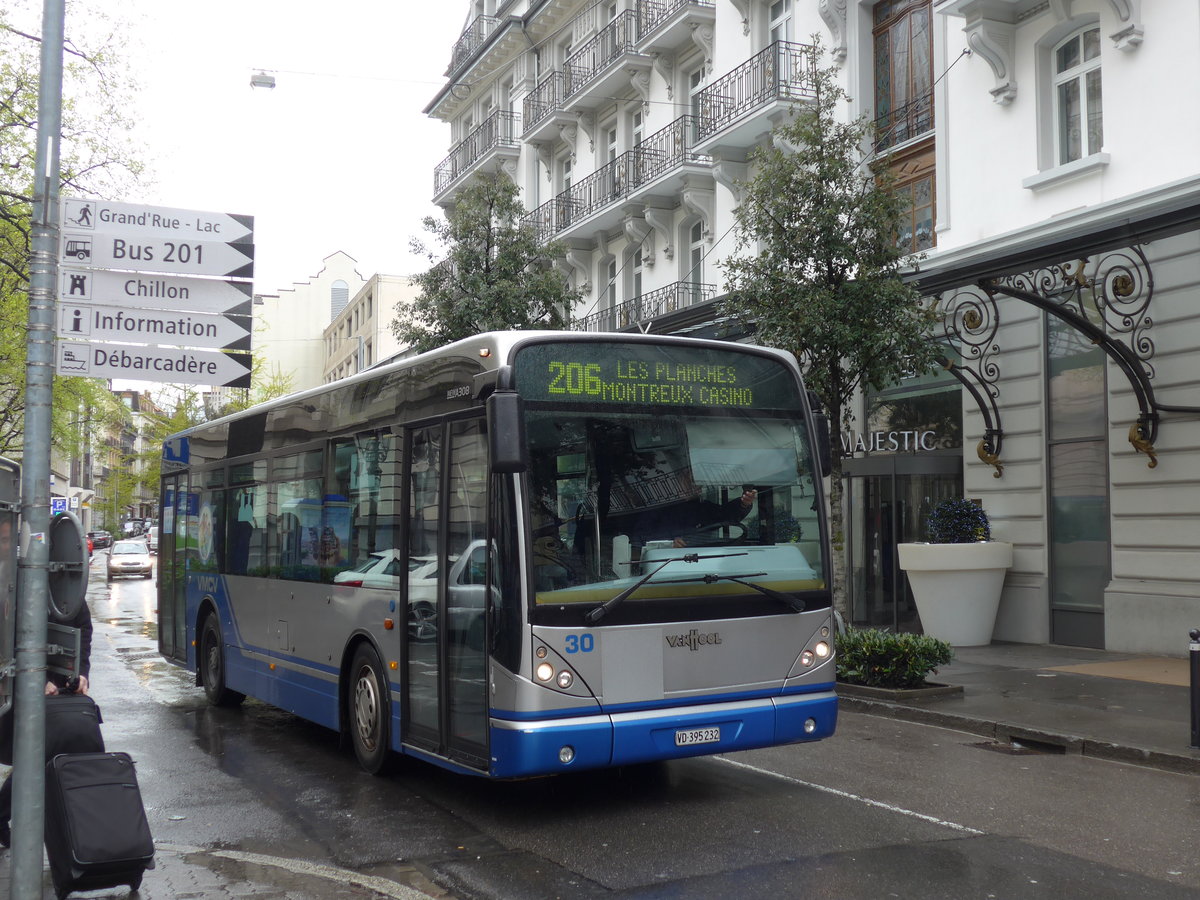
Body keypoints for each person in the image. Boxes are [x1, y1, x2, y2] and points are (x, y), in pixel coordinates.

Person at [0, 597, 92, 849]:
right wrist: (36, 681)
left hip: (62, 697)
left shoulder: (68, 590)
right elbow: (8, 644)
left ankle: (66, 840)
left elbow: (83, 632)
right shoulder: (18, 585)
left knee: (47, 758)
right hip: (24, 696)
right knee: (35, 758)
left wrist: (82, 673)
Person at [635, 487, 758, 548]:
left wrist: (743, 503)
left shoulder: (702, 507)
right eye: (688, 480)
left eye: (695, 481)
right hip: (662, 565)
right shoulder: (655, 509)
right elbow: (641, 537)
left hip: (701, 561)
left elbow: (725, 516)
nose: (695, 486)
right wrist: (669, 543)